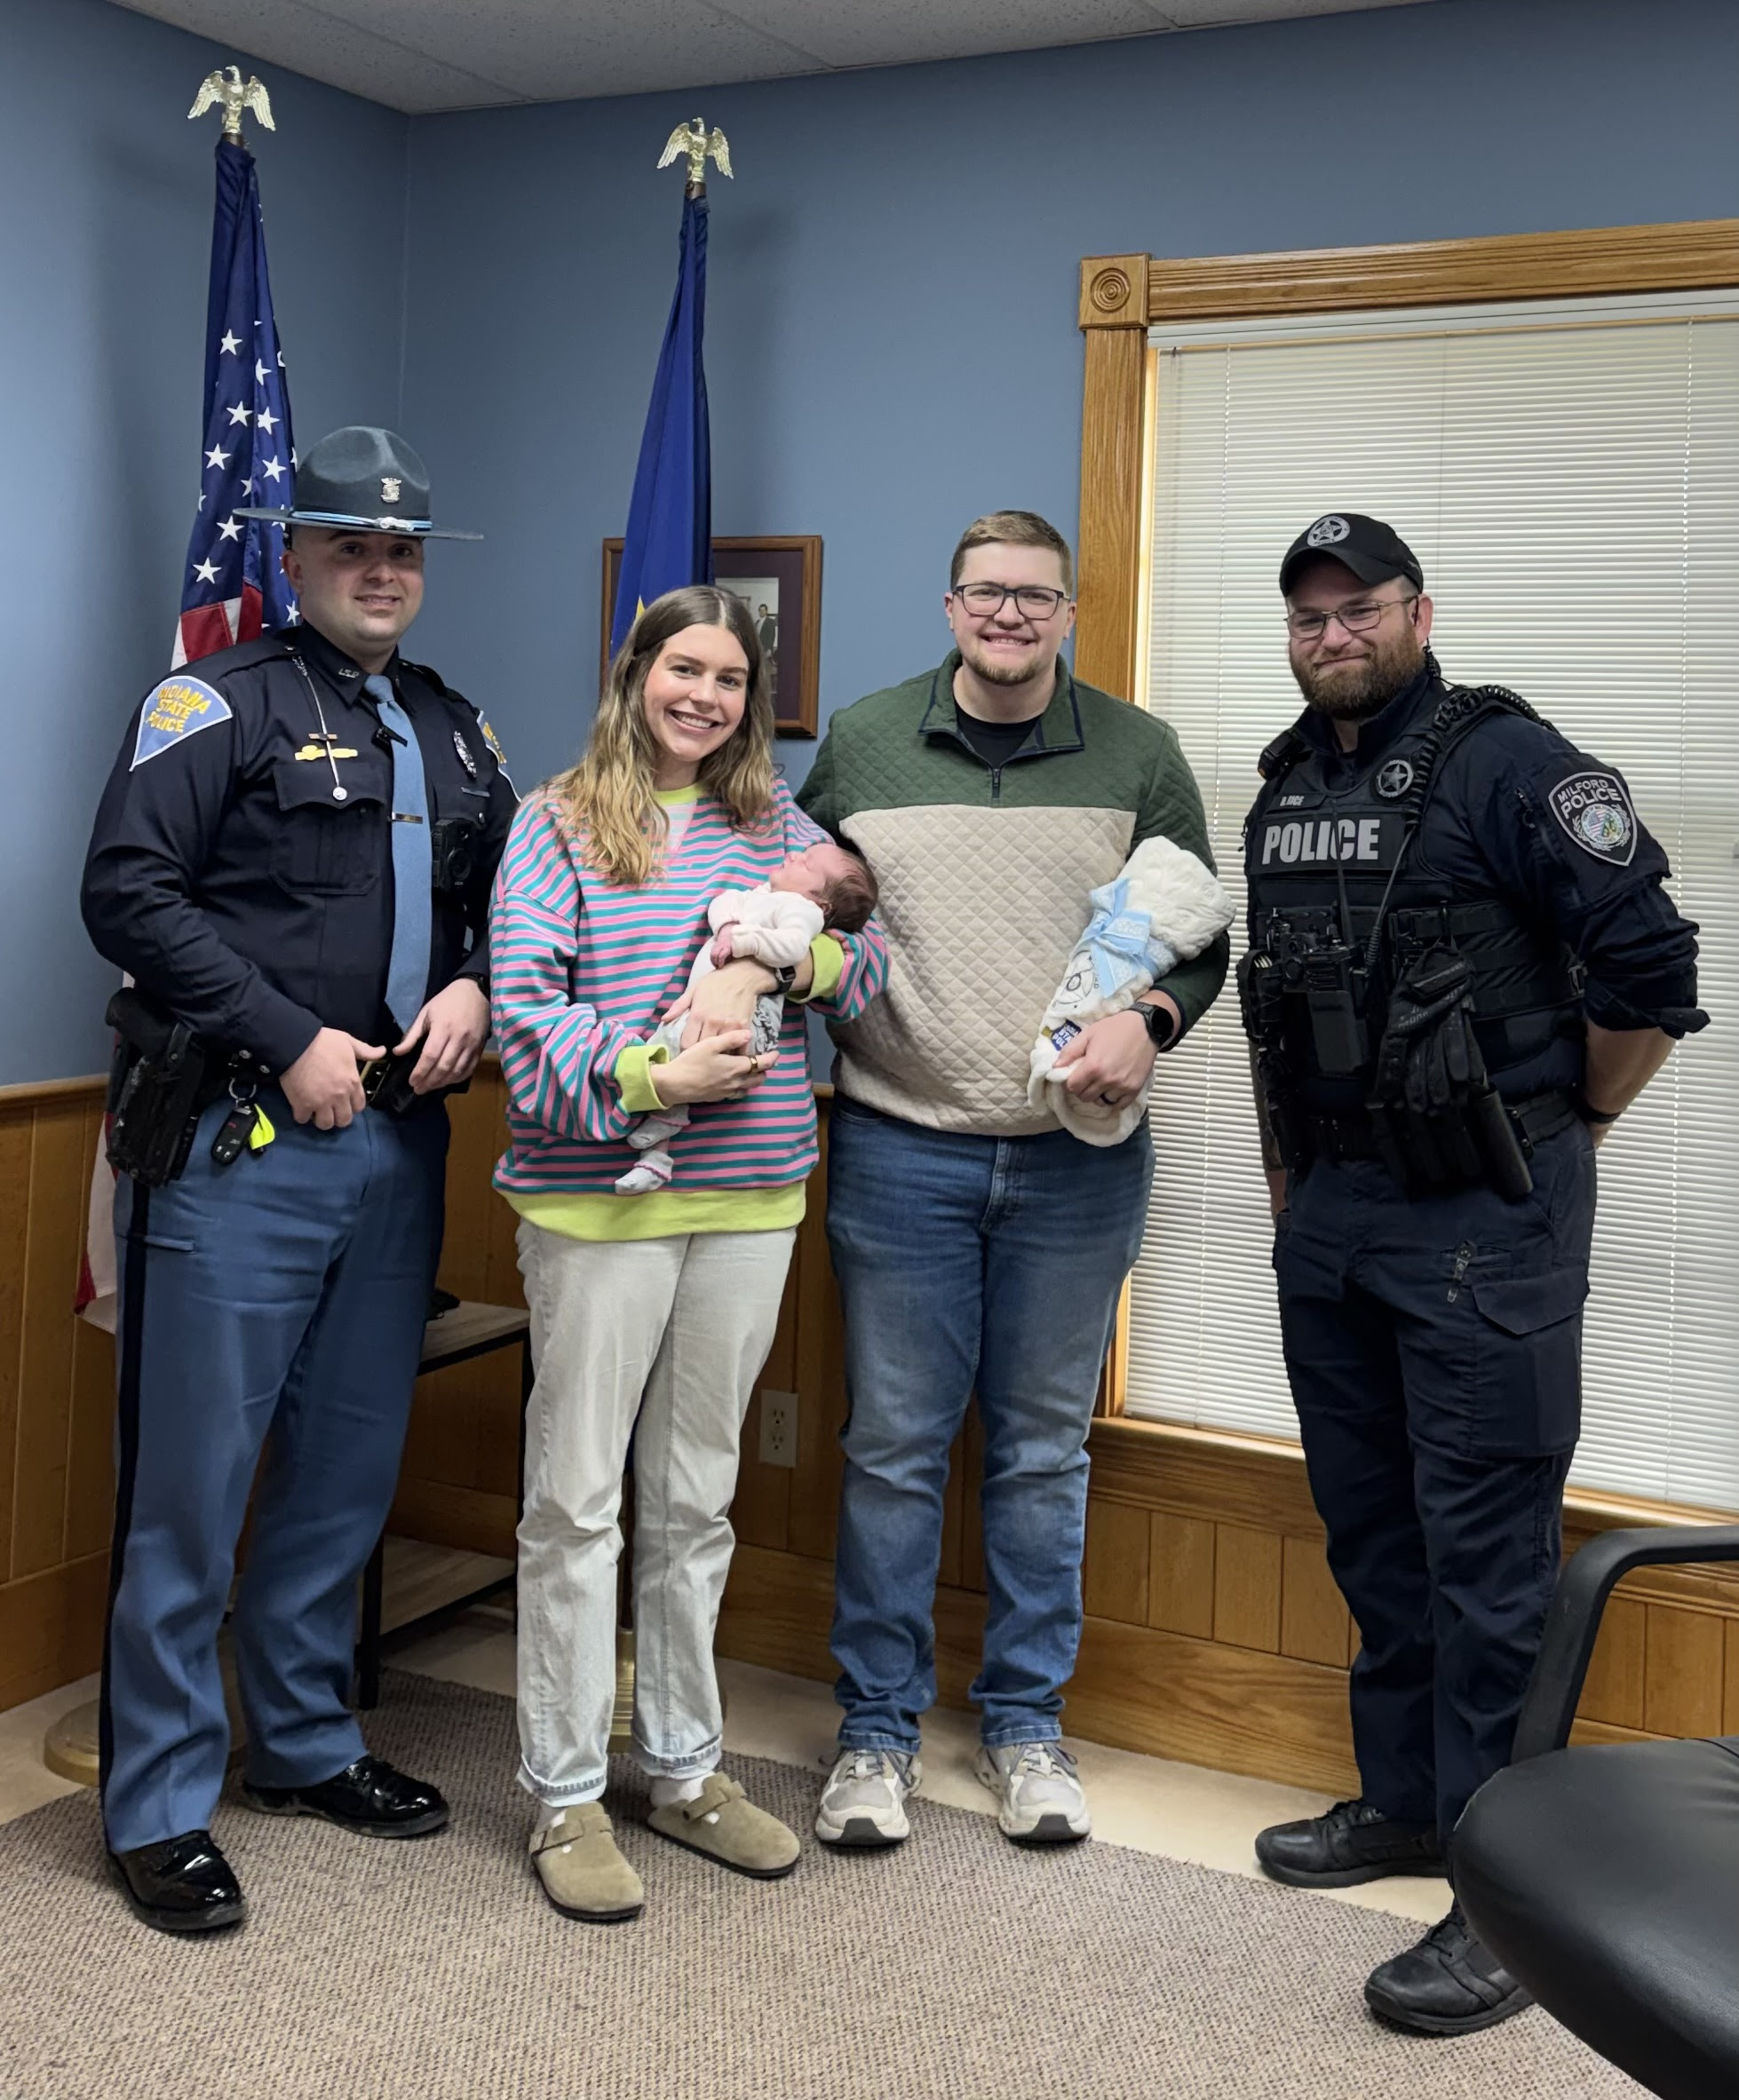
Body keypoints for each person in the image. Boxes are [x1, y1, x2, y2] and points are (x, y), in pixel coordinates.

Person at [1241, 512, 1704, 2034]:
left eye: (1356, 606)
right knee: (1372, 1539)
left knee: (1486, 1566)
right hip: (1335, 1221)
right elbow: (1277, 1009)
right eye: (1306, 614)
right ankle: (1405, 1805)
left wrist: (1575, 1113)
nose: (1331, 634)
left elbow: (1650, 970)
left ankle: (1508, 1904)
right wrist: (1288, 1189)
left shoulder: (1511, 764)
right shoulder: (1285, 780)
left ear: (1415, 610)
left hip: (1482, 1222)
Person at [80, 426, 513, 1935]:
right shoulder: (216, 703)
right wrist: (285, 1036)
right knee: (190, 1493)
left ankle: (308, 1745)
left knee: (340, 1477)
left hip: (398, 1150)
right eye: (351, 546)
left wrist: (470, 987)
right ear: (296, 556)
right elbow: (125, 887)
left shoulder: (457, 732)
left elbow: (496, 904)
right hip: (240, 1146)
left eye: (401, 551)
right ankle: (155, 1806)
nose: (381, 570)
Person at [797, 510, 1227, 1850]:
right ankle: (873, 1738)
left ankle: (1027, 1730)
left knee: (1044, 1456)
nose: (1007, 616)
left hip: (1075, 1167)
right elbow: (795, 916)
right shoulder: (861, 744)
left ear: (1067, 614)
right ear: (949, 607)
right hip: (897, 1148)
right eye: (985, 594)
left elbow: (1201, 938)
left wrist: (1147, 1026)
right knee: (890, 1455)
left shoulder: (1139, 753)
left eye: (1033, 597)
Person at [490, 584, 886, 1925]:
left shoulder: (777, 827)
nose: (704, 696)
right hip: (598, 1206)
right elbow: (523, 1025)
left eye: (730, 676)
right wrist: (658, 1076)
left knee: (694, 1503)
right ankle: (561, 1790)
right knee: (576, 1505)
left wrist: (790, 970)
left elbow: (872, 966)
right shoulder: (554, 826)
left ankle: (682, 1767)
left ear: (752, 698)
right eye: (684, 668)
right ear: (635, 673)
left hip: (749, 1203)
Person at [617, 840, 879, 1192]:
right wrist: (726, 926)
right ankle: (657, 1158)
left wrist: (746, 945)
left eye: (806, 863)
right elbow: (724, 901)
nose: (793, 855)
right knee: (674, 1066)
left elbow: (792, 948)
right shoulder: (764, 895)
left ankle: (659, 1146)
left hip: (752, 1021)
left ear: (821, 902)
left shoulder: (801, 911)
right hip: (701, 1014)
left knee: (669, 1056)